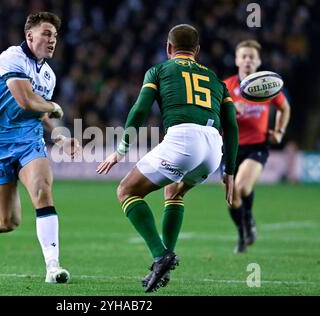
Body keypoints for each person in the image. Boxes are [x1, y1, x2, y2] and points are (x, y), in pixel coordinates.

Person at [97, 24, 239, 292]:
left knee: (127, 190)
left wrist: (121, 149)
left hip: (183, 140)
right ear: (197, 51)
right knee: (174, 192)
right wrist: (228, 171)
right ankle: (163, 267)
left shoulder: (160, 69)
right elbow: (231, 125)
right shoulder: (216, 80)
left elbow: (140, 109)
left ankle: (160, 255)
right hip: (213, 148)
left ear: (168, 48)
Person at [0, 12, 80, 284]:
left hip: (28, 141)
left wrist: (59, 134)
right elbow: (25, 100)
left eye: (55, 35)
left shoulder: (48, 75)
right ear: (29, 35)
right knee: (10, 221)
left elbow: (39, 110)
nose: (52, 39)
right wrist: (54, 107)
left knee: (43, 192)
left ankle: (53, 267)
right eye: (46, 33)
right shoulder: (12, 58)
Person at [223, 40, 291, 253]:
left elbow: (285, 108)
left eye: (252, 56)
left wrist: (279, 132)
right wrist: (230, 109)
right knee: (231, 195)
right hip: (231, 148)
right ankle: (243, 232)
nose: (247, 60)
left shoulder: (267, 85)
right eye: (243, 56)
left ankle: (249, 220)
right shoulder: (226, 87)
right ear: (236, 60)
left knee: (241, 186)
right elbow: (213, 115)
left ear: (259, 61)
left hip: (257, 146)